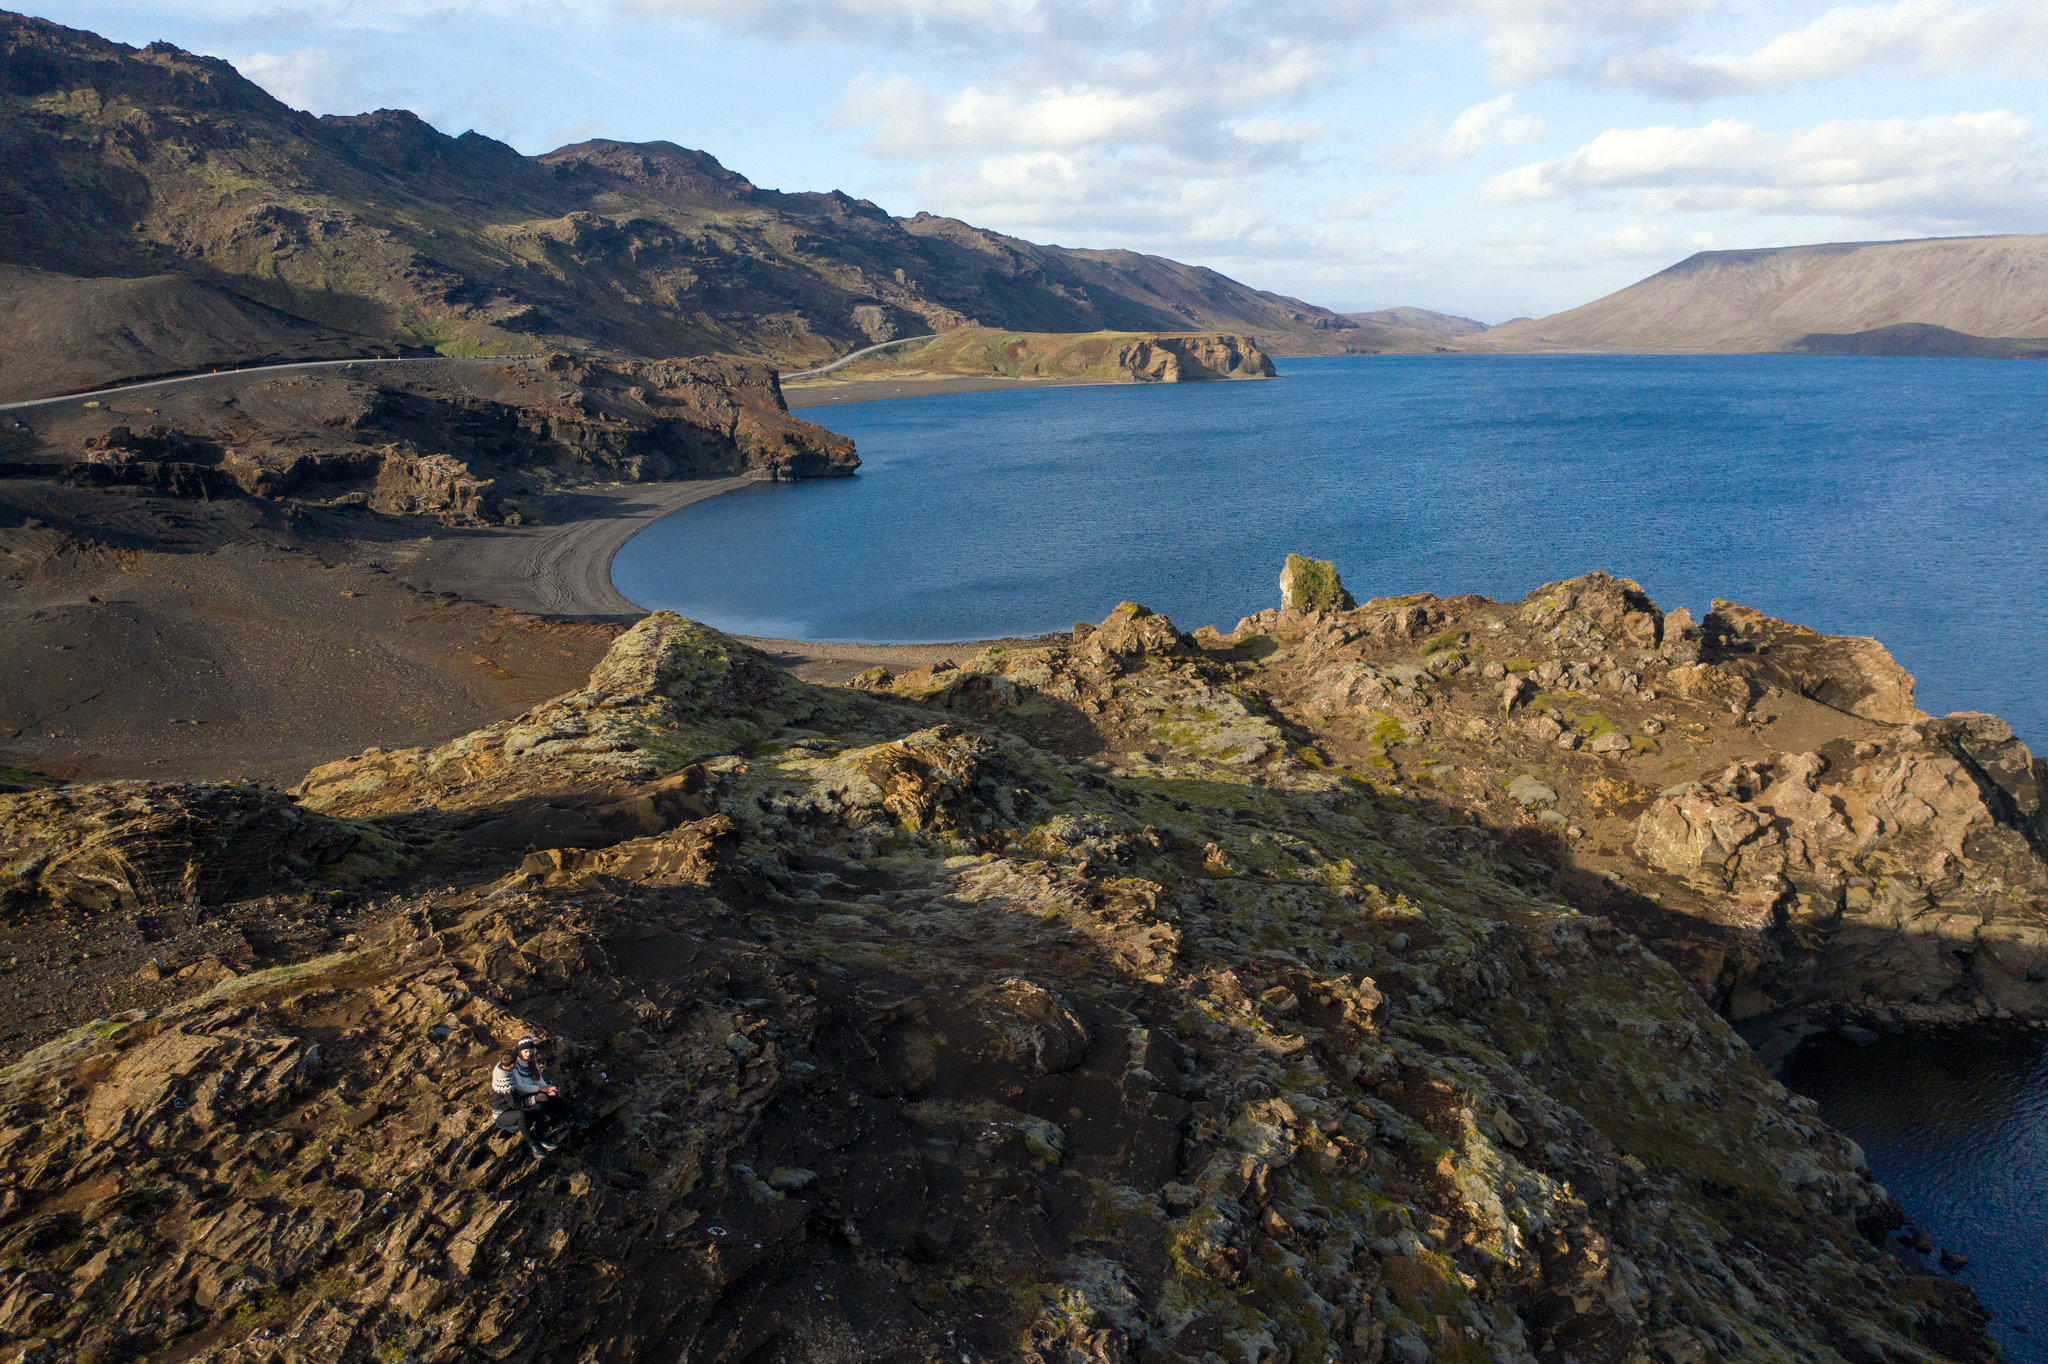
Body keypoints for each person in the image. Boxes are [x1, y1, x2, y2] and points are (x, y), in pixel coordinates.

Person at [490, 1036, 583, 1160]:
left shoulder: (525, 1064)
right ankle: (534, 1145)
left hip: (518, 1100)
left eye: (530, 1051)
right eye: (525, 1051)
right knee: (521, 1115)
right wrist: (537, 1095)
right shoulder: (506, 1078)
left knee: (546, 1099)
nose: (528, 1054)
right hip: (503, 1112)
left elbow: (538, 1079)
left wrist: (546, 1088)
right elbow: (516, 1103)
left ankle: (544, 1134)